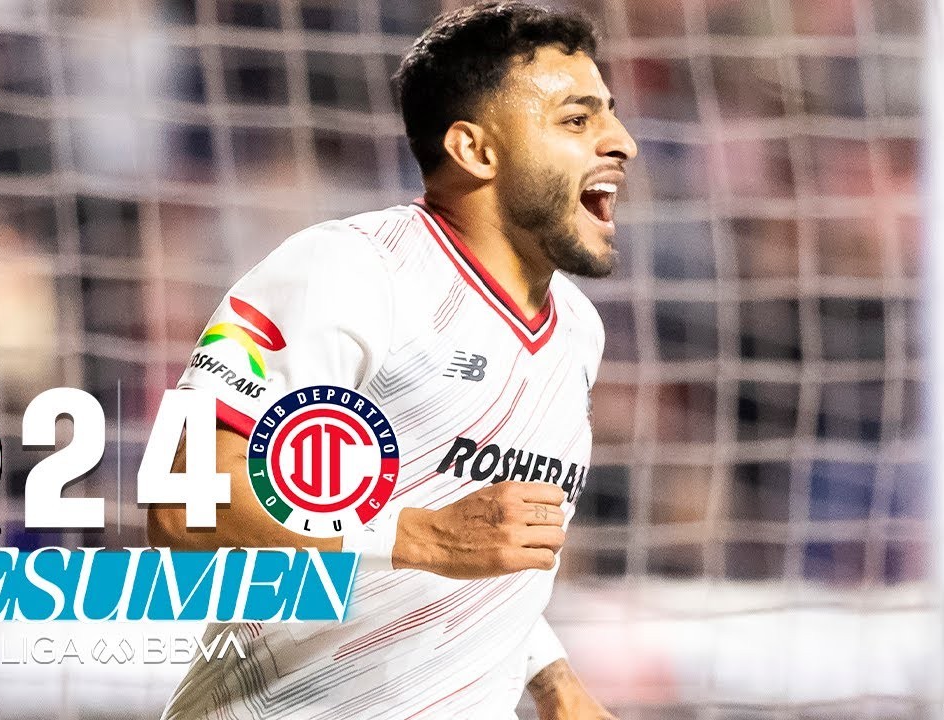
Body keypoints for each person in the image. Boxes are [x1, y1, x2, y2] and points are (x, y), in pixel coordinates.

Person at [148, 2, 636, 717]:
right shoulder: (344, 270)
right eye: (576, 120)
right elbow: (180, 504)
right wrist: (419, 535)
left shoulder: (578, 329)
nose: (622, 142)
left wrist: (554, 681)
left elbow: (477, 546)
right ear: (475, 150)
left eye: (611, 116)